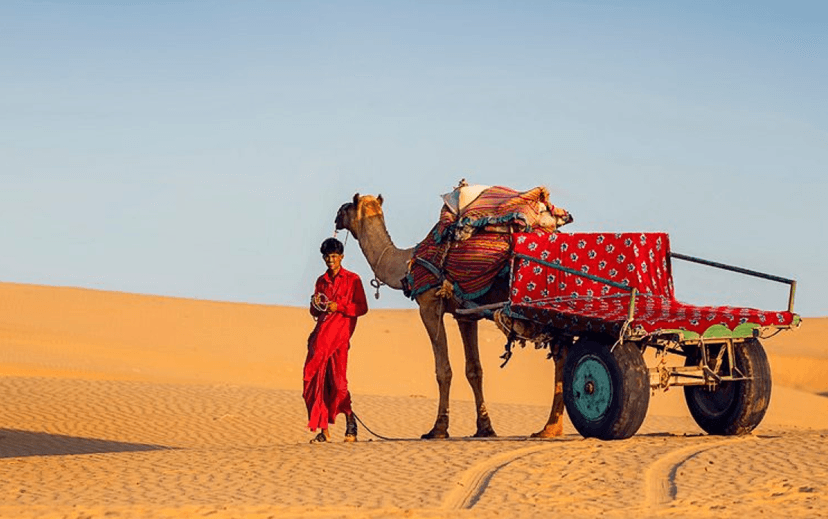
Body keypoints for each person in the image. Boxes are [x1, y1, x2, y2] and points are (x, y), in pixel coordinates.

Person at [304, 237, 368, 443]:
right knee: (318, 383)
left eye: (333, 256)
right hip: (320, 340)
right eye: (327, 257)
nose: (330, 260)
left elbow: (361, 308)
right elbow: (315, 310)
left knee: (339, 385)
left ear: (341, 257)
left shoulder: (353, 280)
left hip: (339, 340)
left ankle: (350, 418)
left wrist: (339, 307)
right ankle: (324, 430)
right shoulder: (321, 281)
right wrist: (316, 304)